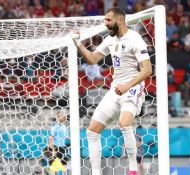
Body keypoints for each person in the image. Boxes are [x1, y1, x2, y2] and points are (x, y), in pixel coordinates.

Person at [71, 7, 152, 175]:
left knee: (124, 123)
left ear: (120, 20)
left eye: (108, 20)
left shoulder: (135, 39)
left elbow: (147, 70)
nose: (105, 24)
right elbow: (93, 59)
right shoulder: (110, 40)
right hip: (116, 88)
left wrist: (127, 86)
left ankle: (132, 168)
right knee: (91, 131)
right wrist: (77, 43)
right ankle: (95, 172)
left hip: (133, 88)